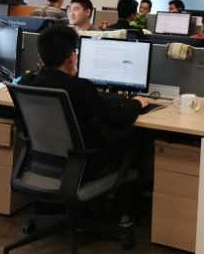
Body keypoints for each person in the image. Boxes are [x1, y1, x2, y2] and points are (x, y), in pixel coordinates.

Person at [19, 26, 151, 228]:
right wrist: (136, 104)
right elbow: (116, 116)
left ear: (40, 56)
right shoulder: (81, 87)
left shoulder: (27, 82)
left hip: (40, 163)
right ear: (72, 57)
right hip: (82, 166)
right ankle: (124, 214)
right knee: (134, 137)